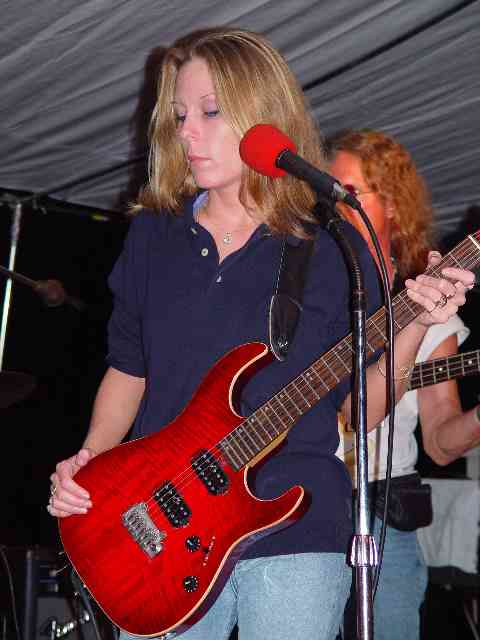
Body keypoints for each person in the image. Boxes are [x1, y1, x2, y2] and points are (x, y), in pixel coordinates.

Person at [46, 29, 474, 640]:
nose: (187, 133)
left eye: (210, 112)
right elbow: (128, 367)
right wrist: (90, 463)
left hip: (298, 522)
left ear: (264, 115)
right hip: (165, 522)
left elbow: (363, 409)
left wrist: (415, 326)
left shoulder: (333, 247)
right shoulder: (153, 236)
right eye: (179, 116)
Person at [328, 128, 480, 640]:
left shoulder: (431, 302)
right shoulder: (306, 289)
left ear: (392, 203)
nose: (333, 204)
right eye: (328, 190)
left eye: (349, 192)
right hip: (299, 507)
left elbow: (440, 442)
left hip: (383, 516)